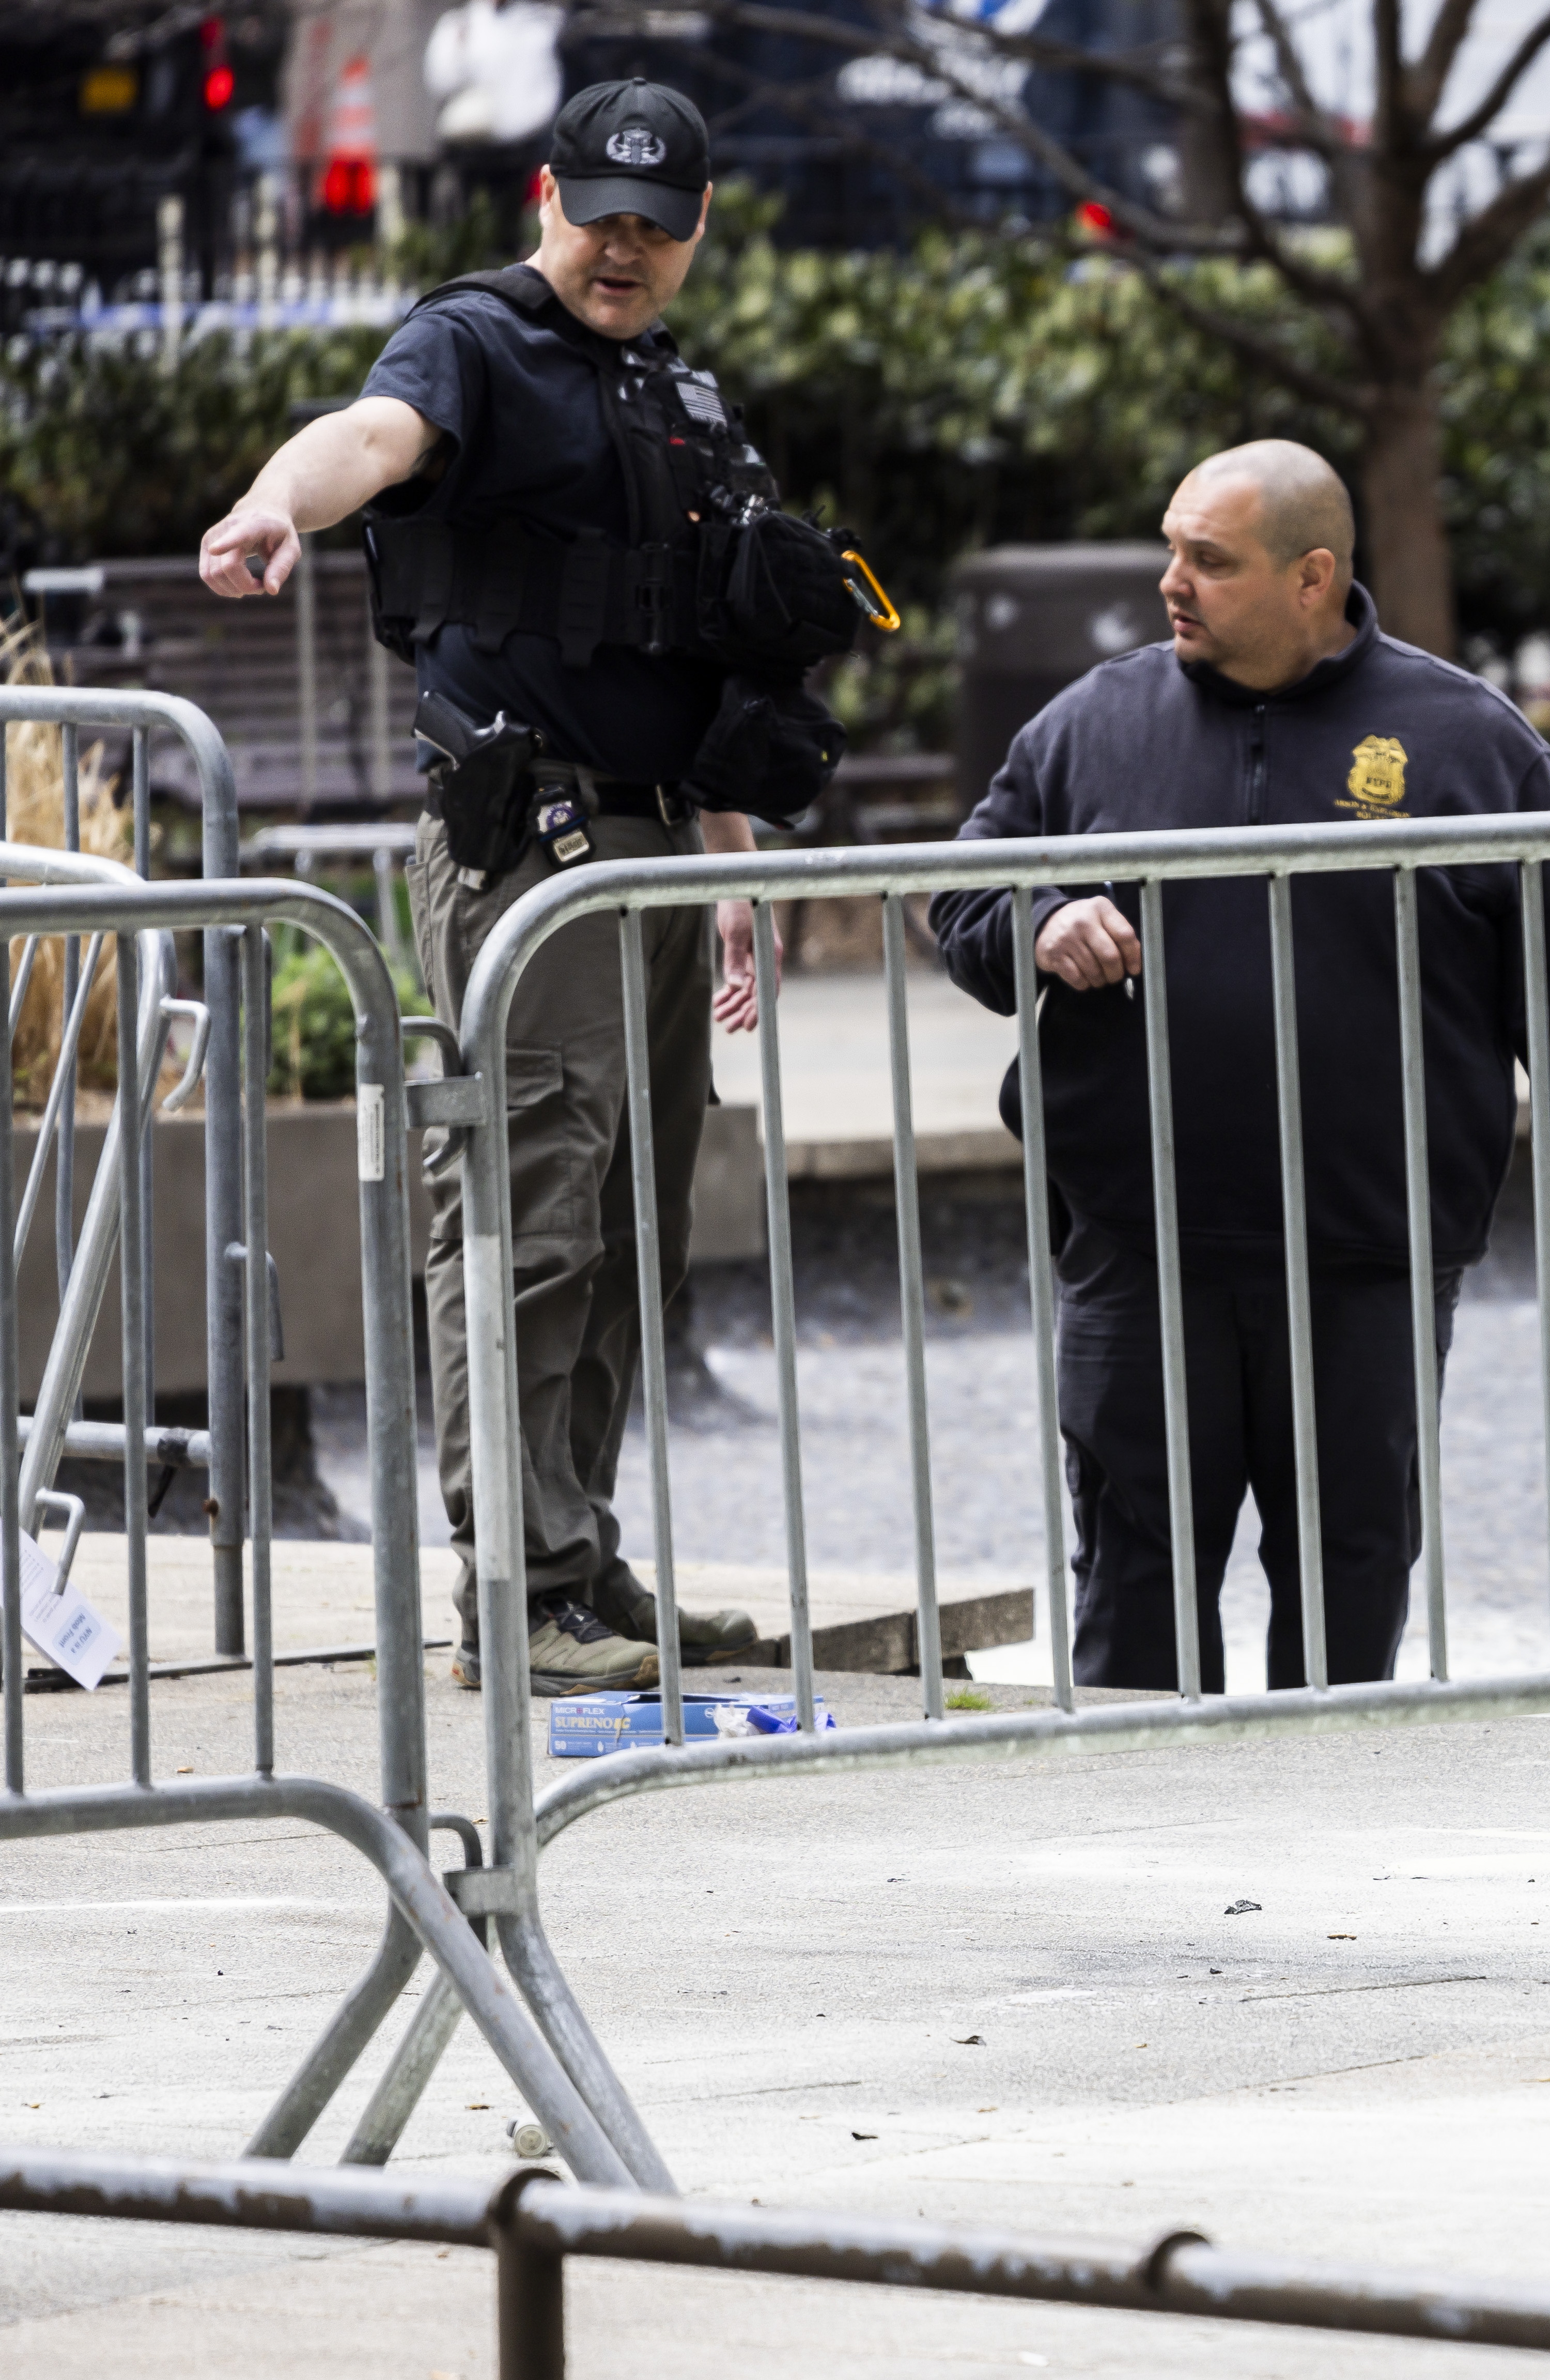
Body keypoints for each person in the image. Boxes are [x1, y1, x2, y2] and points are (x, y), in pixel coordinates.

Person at [197, 76, 861, 1695]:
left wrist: (727, 870)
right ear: (545, 200)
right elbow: (372, 435)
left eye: (656, 224)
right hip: (534, 847)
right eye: (598, 215)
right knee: (524, 1219)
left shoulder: (676, 396)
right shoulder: (473, 344)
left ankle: (582, 1554)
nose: (620, 248)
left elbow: (710, 649)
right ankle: (515, 1582)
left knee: (630, 1228)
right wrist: (276, 501)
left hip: (645, 849)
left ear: (698, 231)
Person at [928, 441, 1550, 1696]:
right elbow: (955, 893)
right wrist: (1038, 916)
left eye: (1209, 560)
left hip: (1368, 1249)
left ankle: (1327, 1855)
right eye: (1171, 548)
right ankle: (1135, 1860)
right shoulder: (1095, 723)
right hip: (1137, 1244)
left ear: (1312, 576)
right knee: (1135, 1588)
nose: (1172, 581)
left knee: (1350, 1581)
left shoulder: (1468, 741)